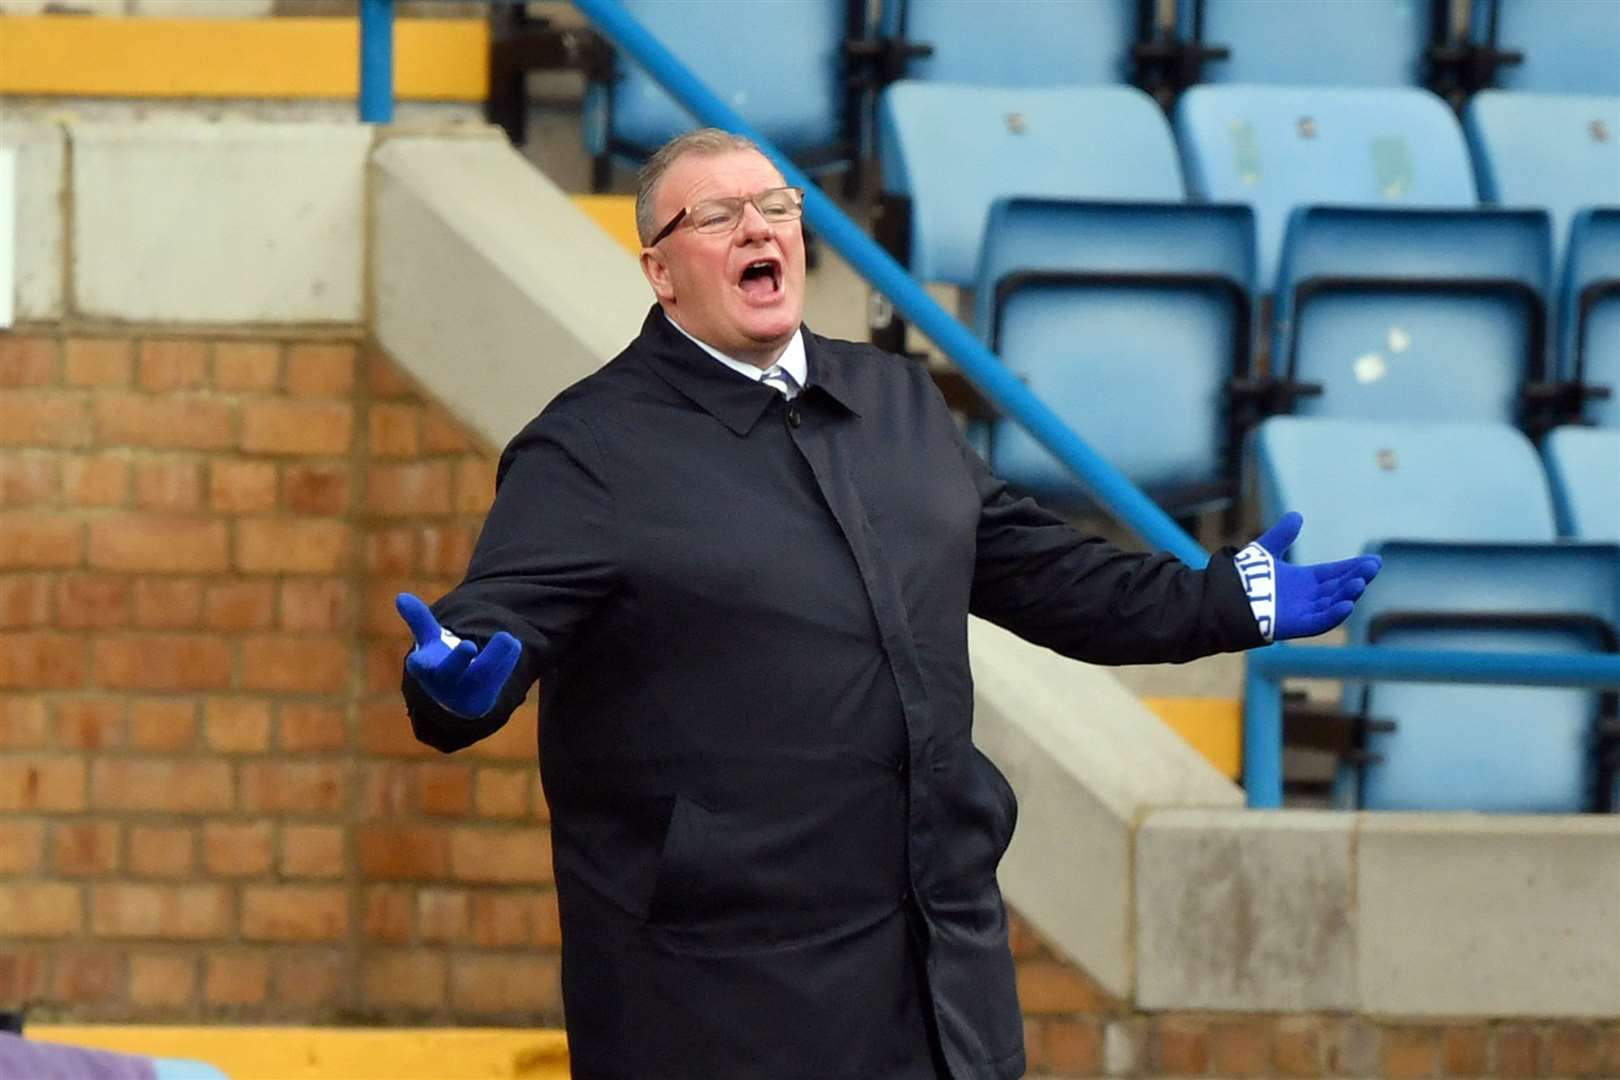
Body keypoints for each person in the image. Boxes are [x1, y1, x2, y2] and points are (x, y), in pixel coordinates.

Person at [395, 128, 1380, 1080]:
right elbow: (492, 625)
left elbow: (1053, 577)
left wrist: (1225, 602)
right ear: (660, 270)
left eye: (776, 204)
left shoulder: (897, 401)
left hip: (933, 975)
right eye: (719, 215)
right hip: (717, 995)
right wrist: (458, 688)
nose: (758, 229)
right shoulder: (591, 450)